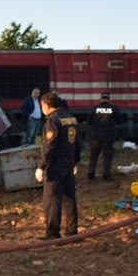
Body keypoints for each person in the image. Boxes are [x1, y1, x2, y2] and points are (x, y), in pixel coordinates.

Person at [35, 92, 79, 239]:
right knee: (69, 199)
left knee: (52, 200)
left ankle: (53, 233)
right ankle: (72, 231)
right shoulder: (71, 118)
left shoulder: (52, 121)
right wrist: (75, 162)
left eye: (42, 106)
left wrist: (41, 166)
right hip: (68, 163)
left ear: (46, 105)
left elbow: (49, 146)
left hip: (55, 166)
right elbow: (76, 143)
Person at [87, 92, 122, 181]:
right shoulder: (114, 108)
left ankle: (91, 173)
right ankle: (106, 174)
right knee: (107, 156)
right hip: (108, 135)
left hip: (96, 136)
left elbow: (89, 121)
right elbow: (119, 121)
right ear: (109, 99)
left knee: (93, 155)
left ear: (101, 98)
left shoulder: (94, 108)